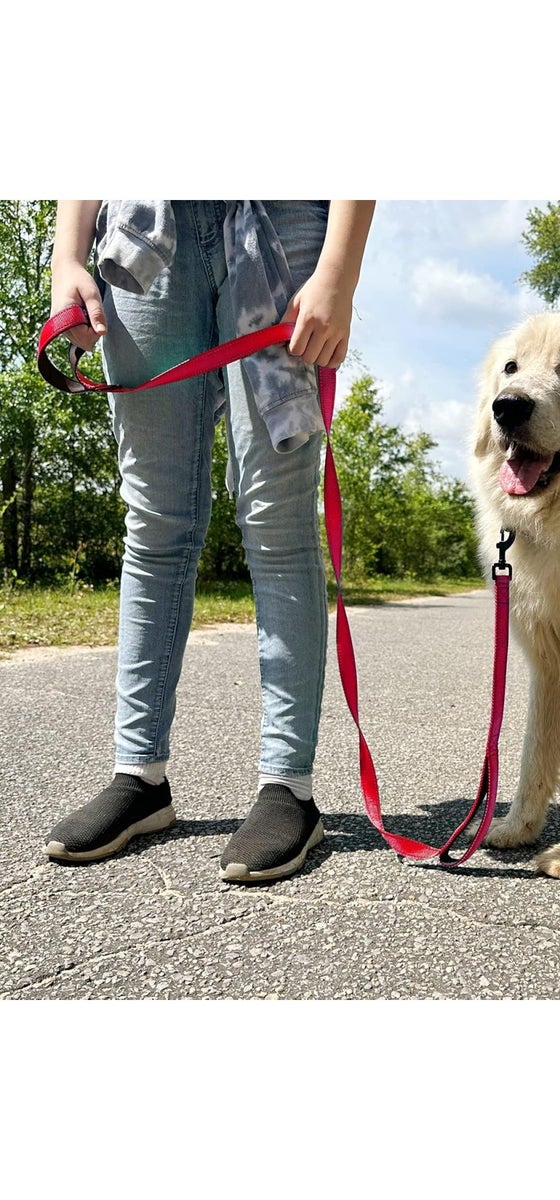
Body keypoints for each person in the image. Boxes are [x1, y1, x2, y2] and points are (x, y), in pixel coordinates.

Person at [44, 199, 375, 882]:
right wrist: (66, 253)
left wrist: (338, 272)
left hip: (282, 220)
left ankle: (289, 788)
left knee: (277, 521)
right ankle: (139, 776)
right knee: (154, 524)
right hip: (144, 223)